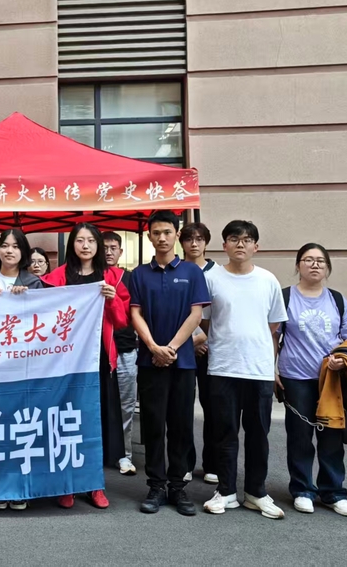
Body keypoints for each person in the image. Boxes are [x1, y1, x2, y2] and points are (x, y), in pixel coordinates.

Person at [201, 220, 287, 520]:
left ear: (256, 246)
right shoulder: (211, 278)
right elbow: (204, 320)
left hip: (258, 370)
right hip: (223, 367)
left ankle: (256, 492)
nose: (241, 244)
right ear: (224, 244)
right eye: (234, 238)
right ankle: (226, 491)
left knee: (258, 434)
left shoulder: (268, 280)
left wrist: (269, 364)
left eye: (247, 239)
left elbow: (273, 325)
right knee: (225, 432)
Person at [42, 223, 129, 510]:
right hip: (64, 361)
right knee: (66, 419)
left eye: (91, 240)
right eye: (80, 240)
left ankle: (95, 485)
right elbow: (43, 316)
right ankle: (66, 484)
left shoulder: (112, 277)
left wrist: (112, 300)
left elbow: (122, 321)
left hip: (98, 360)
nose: (86, 245)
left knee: (95, 420)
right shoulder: (56, 277)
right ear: (72, 245)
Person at [130, 212, 210, 517]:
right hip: (149, 362)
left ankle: (178, 486)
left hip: (183, 362)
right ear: (149, 237)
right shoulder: (139, 274)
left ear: (177, 235)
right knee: (152, 425)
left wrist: (171, 348)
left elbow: (196, 314)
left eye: (167, 232)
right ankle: (156, 485)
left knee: (181, 425)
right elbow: (135, 314)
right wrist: (153, 347)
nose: (161, 238)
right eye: (156, 233)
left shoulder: (192, 272)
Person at [276, 243, 347, 517]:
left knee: (332, 437)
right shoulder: (286, 297)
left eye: (320, 261)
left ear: (327, 267)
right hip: (295, 377)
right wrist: (271, 371)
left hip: (331, 379)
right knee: (300, 437)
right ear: (298, 265)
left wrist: (342, 359)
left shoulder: (337, 300)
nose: (315, 265)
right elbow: (273, 336)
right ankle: (302, 490)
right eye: (308, 260)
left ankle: (333, 492)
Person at [0, 227, 43, 512]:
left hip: (22, 367)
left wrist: (27, 300)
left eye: (15, 246)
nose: (9, 250)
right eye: (5, 245)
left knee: (20, 426)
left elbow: (44, 322)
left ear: (23, 252)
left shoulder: (34, 283)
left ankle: (19, 487)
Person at [180, 222, 218, 484]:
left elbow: (221, 314)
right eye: (189, 239)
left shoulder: (218, 273)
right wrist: (189, 342)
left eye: (199, 239)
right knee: (181, 407)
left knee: (213, 407)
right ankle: (184, 462)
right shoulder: (176, 269)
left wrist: (204, 339)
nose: (194, 244)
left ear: (206, 242)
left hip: (211, 349)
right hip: (181, 347)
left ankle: (212, 463)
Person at [102, 231, 138, 476]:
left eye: (113, 248)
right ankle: (99, 450)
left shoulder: (129, 278)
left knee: (126, 405)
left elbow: (136, 313)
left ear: (120, 251)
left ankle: (124, 454)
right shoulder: (87, 276)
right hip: (95, 352)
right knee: (97, 403)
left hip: (125, 349)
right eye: (104, 247)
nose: (108, 252)